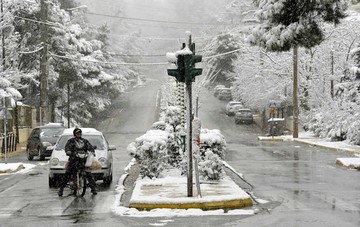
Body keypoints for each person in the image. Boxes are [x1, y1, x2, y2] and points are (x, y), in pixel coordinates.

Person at [58, 128, 97, 196]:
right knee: (67, 174)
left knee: (88, 174)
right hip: (74, 160)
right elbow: (67, 147)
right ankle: (61, 189)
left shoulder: (84, 141)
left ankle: (93, 189)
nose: (78, 134)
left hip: (83, 161)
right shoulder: (71, 141)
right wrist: (69, 152)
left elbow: (90, 147)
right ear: (74, 134)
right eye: (77, 133)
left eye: (79, 133)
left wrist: (92, 151)